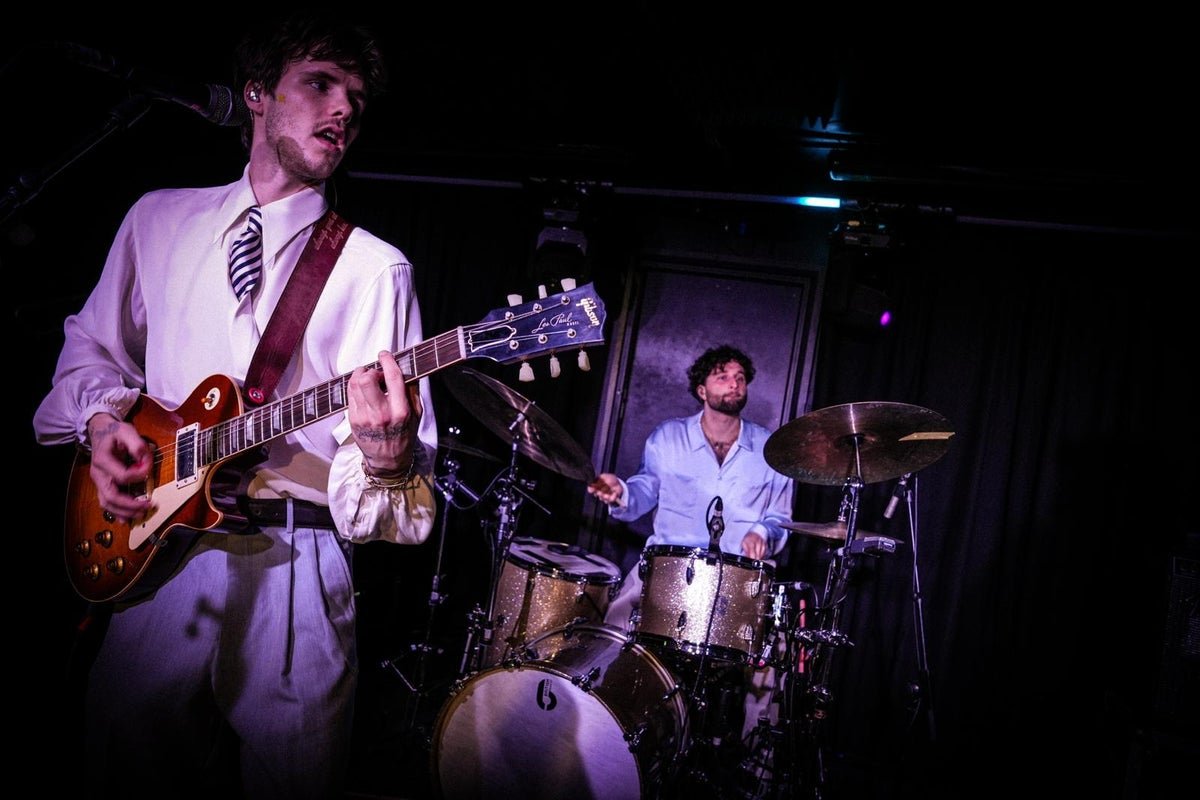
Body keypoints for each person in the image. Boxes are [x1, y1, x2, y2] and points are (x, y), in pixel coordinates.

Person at [33, 13, 436, 798]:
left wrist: (388, 461)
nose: (343, 109)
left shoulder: (375, 268)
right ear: (256, 94)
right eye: (319, 84)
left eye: (356, 99)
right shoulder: (157, 219)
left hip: (296, 568)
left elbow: (402, 501)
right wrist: (103, 423)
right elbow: (87, 351)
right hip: (153, 557)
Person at [587, 345, 794, 763]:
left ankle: (755, 763)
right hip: (668, 567)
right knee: (611, 633)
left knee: (774, 660)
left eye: (740, 378)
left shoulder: (771, 449)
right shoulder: (668, 437)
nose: (734, 384)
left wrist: (762, 532)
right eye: (723, 376)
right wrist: (621, 492)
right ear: (702, 389)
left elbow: (780, 517)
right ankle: (603, 739)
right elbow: (644, 489)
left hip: (739, 579)